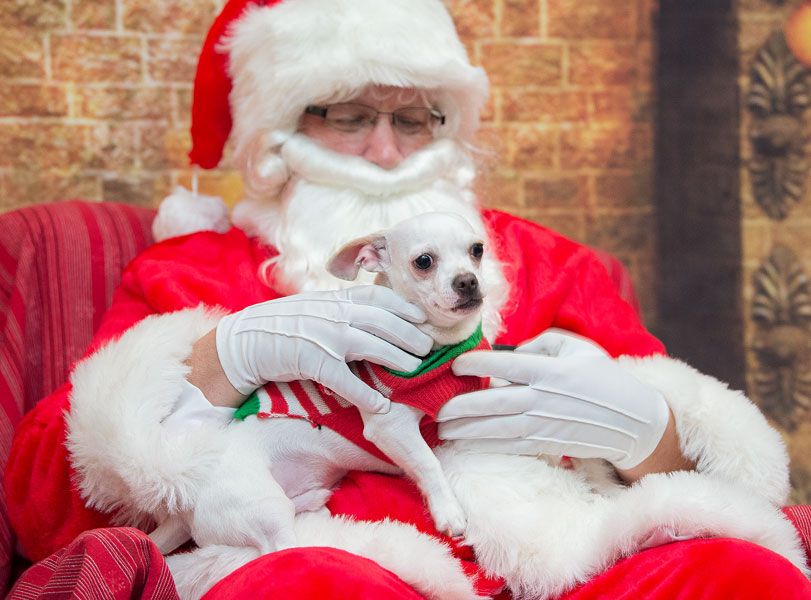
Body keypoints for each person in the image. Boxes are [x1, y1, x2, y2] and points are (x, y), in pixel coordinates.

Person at [4, 0, 810, 598]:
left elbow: (721, 477)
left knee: (737, 569)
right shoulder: (190, 272)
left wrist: (651, 434)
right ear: (278, 136)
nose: (385, 152)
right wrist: (219, 360)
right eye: (349, 116)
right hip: (322, 559)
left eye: (416, 119)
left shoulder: (549, 262)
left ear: (449, 128)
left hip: (562, 562)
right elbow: (43, 501)